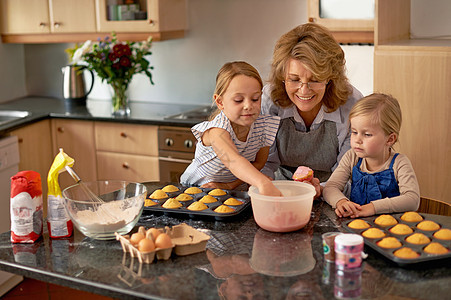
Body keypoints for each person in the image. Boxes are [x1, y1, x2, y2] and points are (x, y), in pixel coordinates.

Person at [260, 23, 364, 197]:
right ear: (282, 77)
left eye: (315, 79)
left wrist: (320, 190)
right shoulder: (270, 101)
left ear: (330, 78)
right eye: (294, 79)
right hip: (280, 191)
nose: (304, 90)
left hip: (335, 193)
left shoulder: (351, 104)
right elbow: (265, 163)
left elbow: (347, 172)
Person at [180, 61, 282, 196]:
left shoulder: (263, 127)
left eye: (255, 98)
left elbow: (258, 163)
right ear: (220, 102)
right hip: (195, 188)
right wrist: (262, 182)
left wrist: (230, 185)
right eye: (239, 100)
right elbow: (234, 161)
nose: (248, 106)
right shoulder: (217, 131)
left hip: (227, 189)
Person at [323, 93, 420, 218]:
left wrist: (372, 208)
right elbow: (330, 187)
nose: (357, 140)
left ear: (390, 139)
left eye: (367, 134)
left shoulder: (400, 163)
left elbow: (412, 200)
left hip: (391, 229)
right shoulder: (352, 157)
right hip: (355, 226)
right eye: (354, 132)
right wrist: (341, 201)